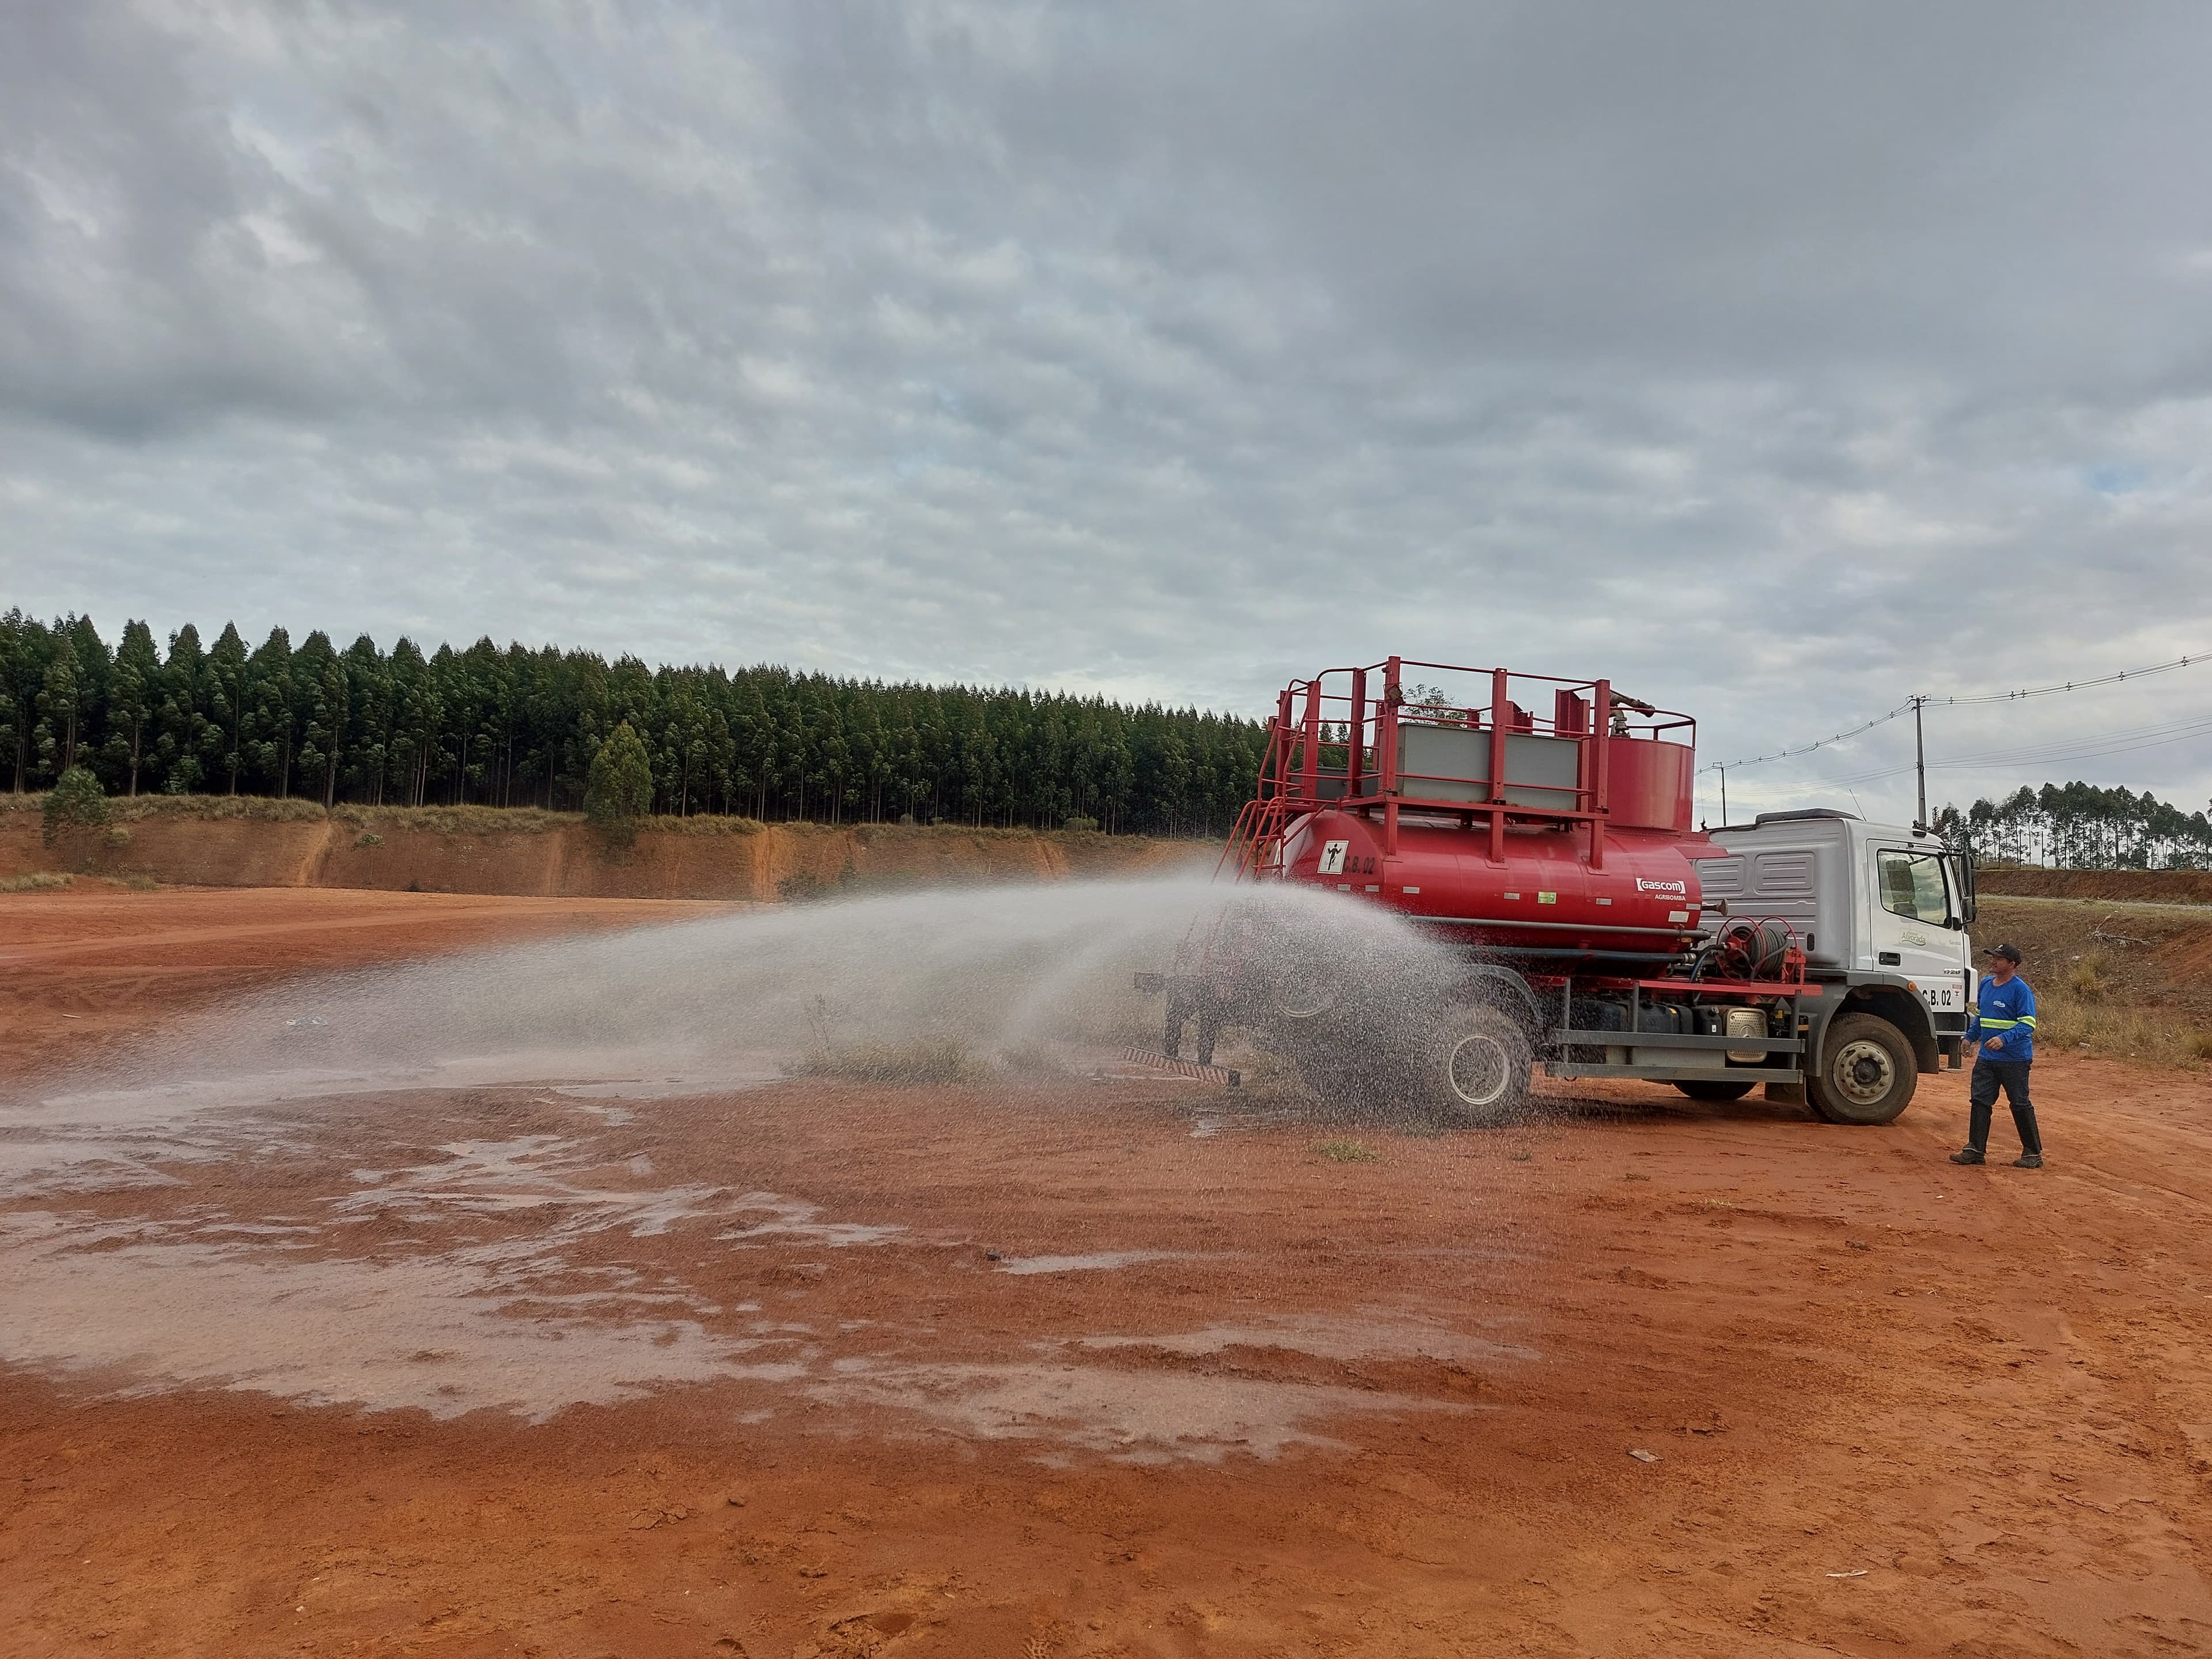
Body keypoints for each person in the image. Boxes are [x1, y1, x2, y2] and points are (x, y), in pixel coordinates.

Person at [1952, 942, 2044, 1168]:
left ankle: (2033, 1154)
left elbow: (2028, 1024)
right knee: (1980, 1101)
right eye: (1993, 957)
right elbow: (1982, 1018)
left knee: (2020, 1103)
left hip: (2015, 1059)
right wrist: (1969, 1037)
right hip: (1987, 1059)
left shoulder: (2020, 990)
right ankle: (1975, 1150)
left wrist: (2004, 1039)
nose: (1993, 962)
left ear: (2012, 964)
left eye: (1999, 959)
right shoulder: (1985, 984)